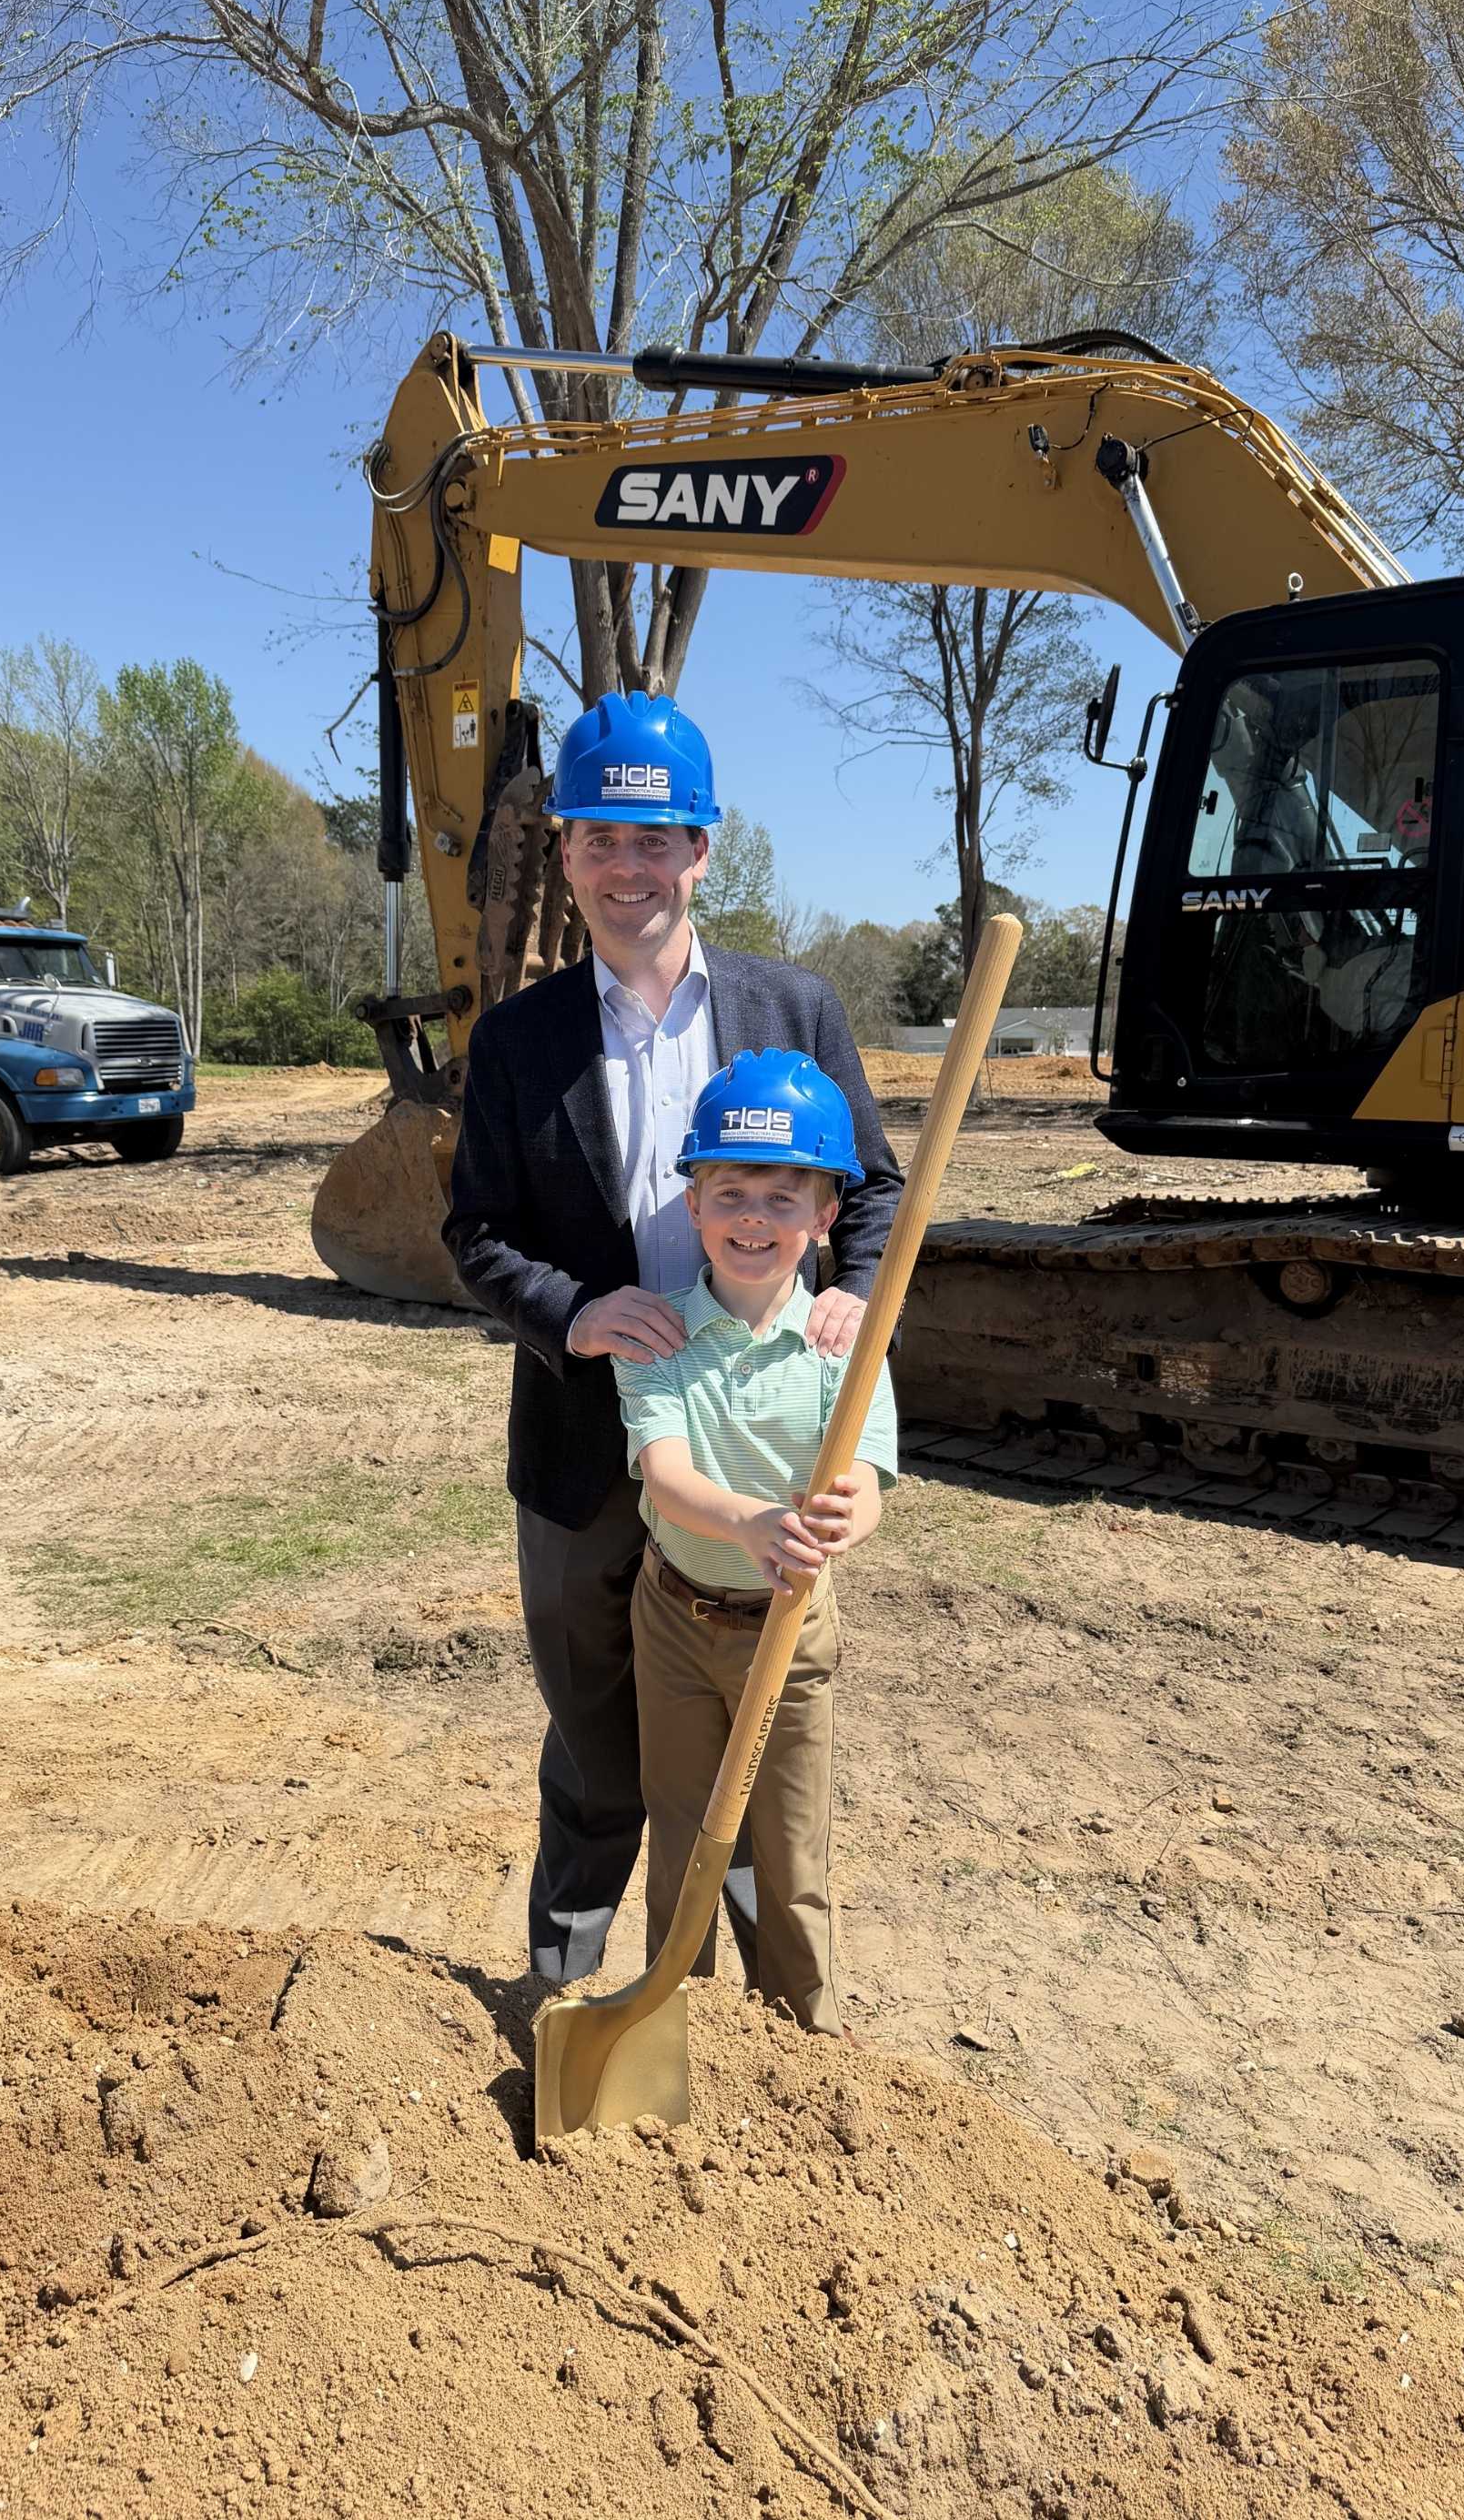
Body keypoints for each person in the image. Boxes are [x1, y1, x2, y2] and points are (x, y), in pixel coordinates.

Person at [443, 689, 903, 1983]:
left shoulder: (790, 1010)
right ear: (566, 851)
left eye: (656, 841)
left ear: (702, 849)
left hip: (755, 1452)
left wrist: (852, 1295)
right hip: (590, 1454)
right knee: (596, 1760)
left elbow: (870, 1188)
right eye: (598, 838)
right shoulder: (520, 1041)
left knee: (748, 1765)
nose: (626, 868)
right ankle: (565, 1984)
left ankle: (757, 2024)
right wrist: (575, 1314)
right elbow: (473, 1233)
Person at [613, 1050, 895, 2036]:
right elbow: (668, 1477)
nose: (753, 1218)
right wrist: (754, 1522)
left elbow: (866, 1482)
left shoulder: (845, 1343)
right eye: (730, 1191)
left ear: (826, 1217)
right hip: (677, 1623)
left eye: (784, 1197)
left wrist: (834, 1523)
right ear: (692, 1205)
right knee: (683, 1841)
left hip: (793, 1629)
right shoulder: (657, 1337)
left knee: (789, 1858)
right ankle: (669, 2034)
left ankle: (802, 2045)